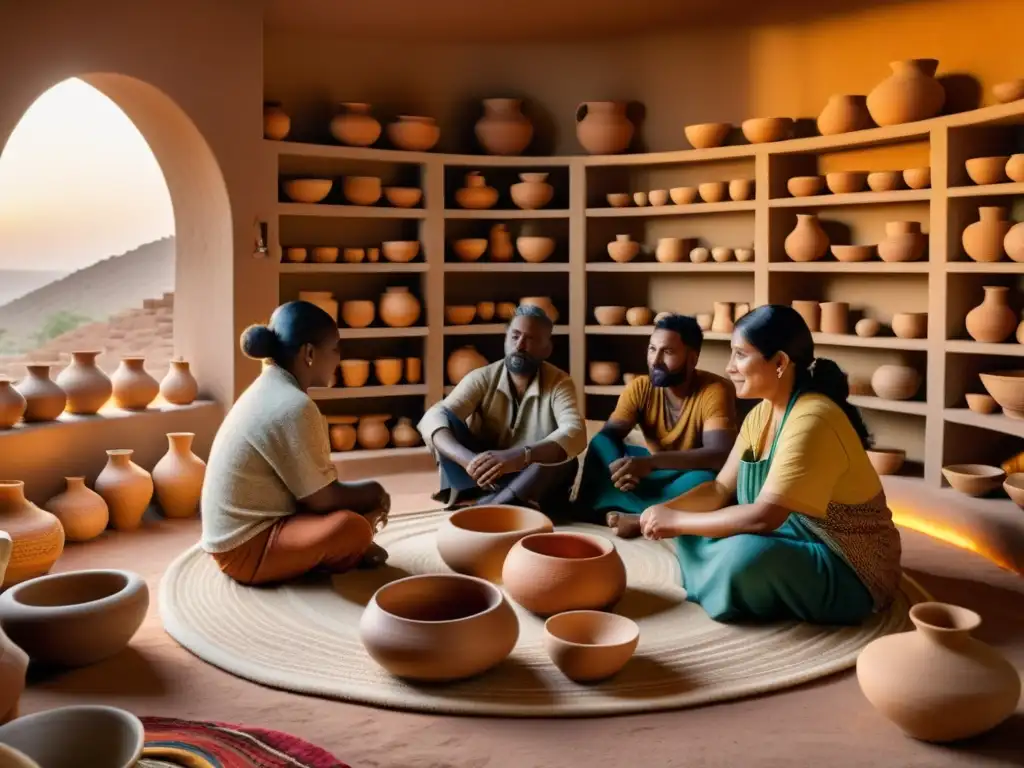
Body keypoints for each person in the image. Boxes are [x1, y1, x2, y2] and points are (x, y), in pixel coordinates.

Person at [635, 305, 902, 625]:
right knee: (695, 528)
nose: (729, 367)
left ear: (779, 363)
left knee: (743, 555)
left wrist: (677, 522)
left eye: (740, 355)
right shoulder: (761, 413)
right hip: (789, 536)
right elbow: (720, 488)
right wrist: (667, 512)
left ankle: (738, 582)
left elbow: (764, 517)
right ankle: (739, 585)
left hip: (846, 564)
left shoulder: (813, 418)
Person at [200, 300, 391, 586]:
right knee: (351, 528)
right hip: (245, 550)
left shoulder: (269, 388)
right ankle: (332, 555)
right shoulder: (295, 407)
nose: (339, 358)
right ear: (310, 353)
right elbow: (321, 499)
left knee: (352, 507)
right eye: (335, 349)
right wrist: (375, 492)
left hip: (243, 535)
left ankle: (330, 551)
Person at [572, 313, 737, 530]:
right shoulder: (640, 387)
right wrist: (622, 471)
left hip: (686, 474)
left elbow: (718, 455)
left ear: (692, 358)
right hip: (651, 472)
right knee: (600, 445)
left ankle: (636, 516)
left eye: (667, 352)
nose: (655, 361)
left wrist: (651, 463)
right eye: (652, 349)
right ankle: (635, 511)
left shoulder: (715, 390)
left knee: (704, 482)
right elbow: (609, 435)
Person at [418, 304, 586, 512]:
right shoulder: (482, 377)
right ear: (505, 339)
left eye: (530, 339)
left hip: (526, 474)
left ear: (546, 349)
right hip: (481, 477)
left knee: (566, 464)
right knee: (444, 417)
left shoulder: (560, 383)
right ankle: (503, 503)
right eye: (514, 337)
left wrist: (520, 456)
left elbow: (575, 431)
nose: (520, 345)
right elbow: (434, 416)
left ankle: (488, 507)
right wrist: (468, 461)